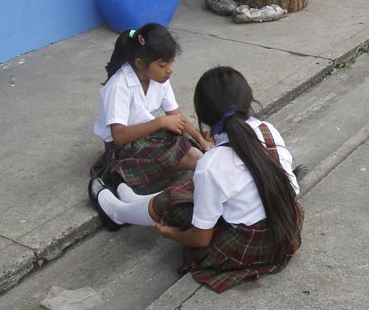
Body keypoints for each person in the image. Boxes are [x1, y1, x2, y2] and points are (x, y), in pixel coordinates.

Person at [89, 66, 302, 292]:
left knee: (174, 199)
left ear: (204, 116)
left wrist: (173, 234)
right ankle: (130, 200)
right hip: (286, 232)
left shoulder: (212, 164)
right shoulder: (266, 129)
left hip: (247, 248)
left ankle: (117, 213)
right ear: (248, 100)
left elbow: (200, 239)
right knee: (198, 188)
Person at [90, 24, 207, 207]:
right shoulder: (119, 86)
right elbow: (119, 136)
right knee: (193, 157)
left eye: (171, 62)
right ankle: (121, 180)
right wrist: (161, 122)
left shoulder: (160, 79)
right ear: (140, 64)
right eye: (163, 64)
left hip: (149, 136)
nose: (170, 69)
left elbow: (176, 115)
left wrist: (200, 138)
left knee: (188, 145)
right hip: (122, 148)